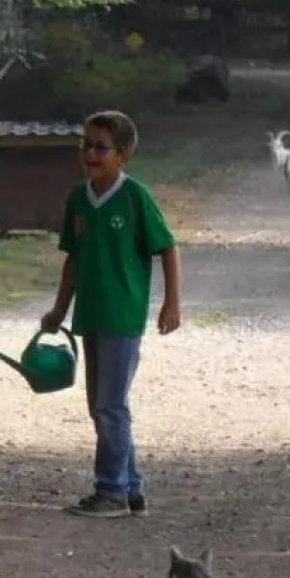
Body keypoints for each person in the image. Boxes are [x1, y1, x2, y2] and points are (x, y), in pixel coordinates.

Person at [42, 109, 182, 519]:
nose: (91, 154)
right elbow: (73, 259)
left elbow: (167, 248)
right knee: (103, 407)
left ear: (123, 155)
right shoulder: (78, 199)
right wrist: (59, 310)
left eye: (101, 148)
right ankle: (130, 488)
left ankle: (111, 492)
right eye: (85, 145)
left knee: (110, 406)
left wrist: (172, 303)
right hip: (91, 315)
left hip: (123, 318)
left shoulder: (135, 197)